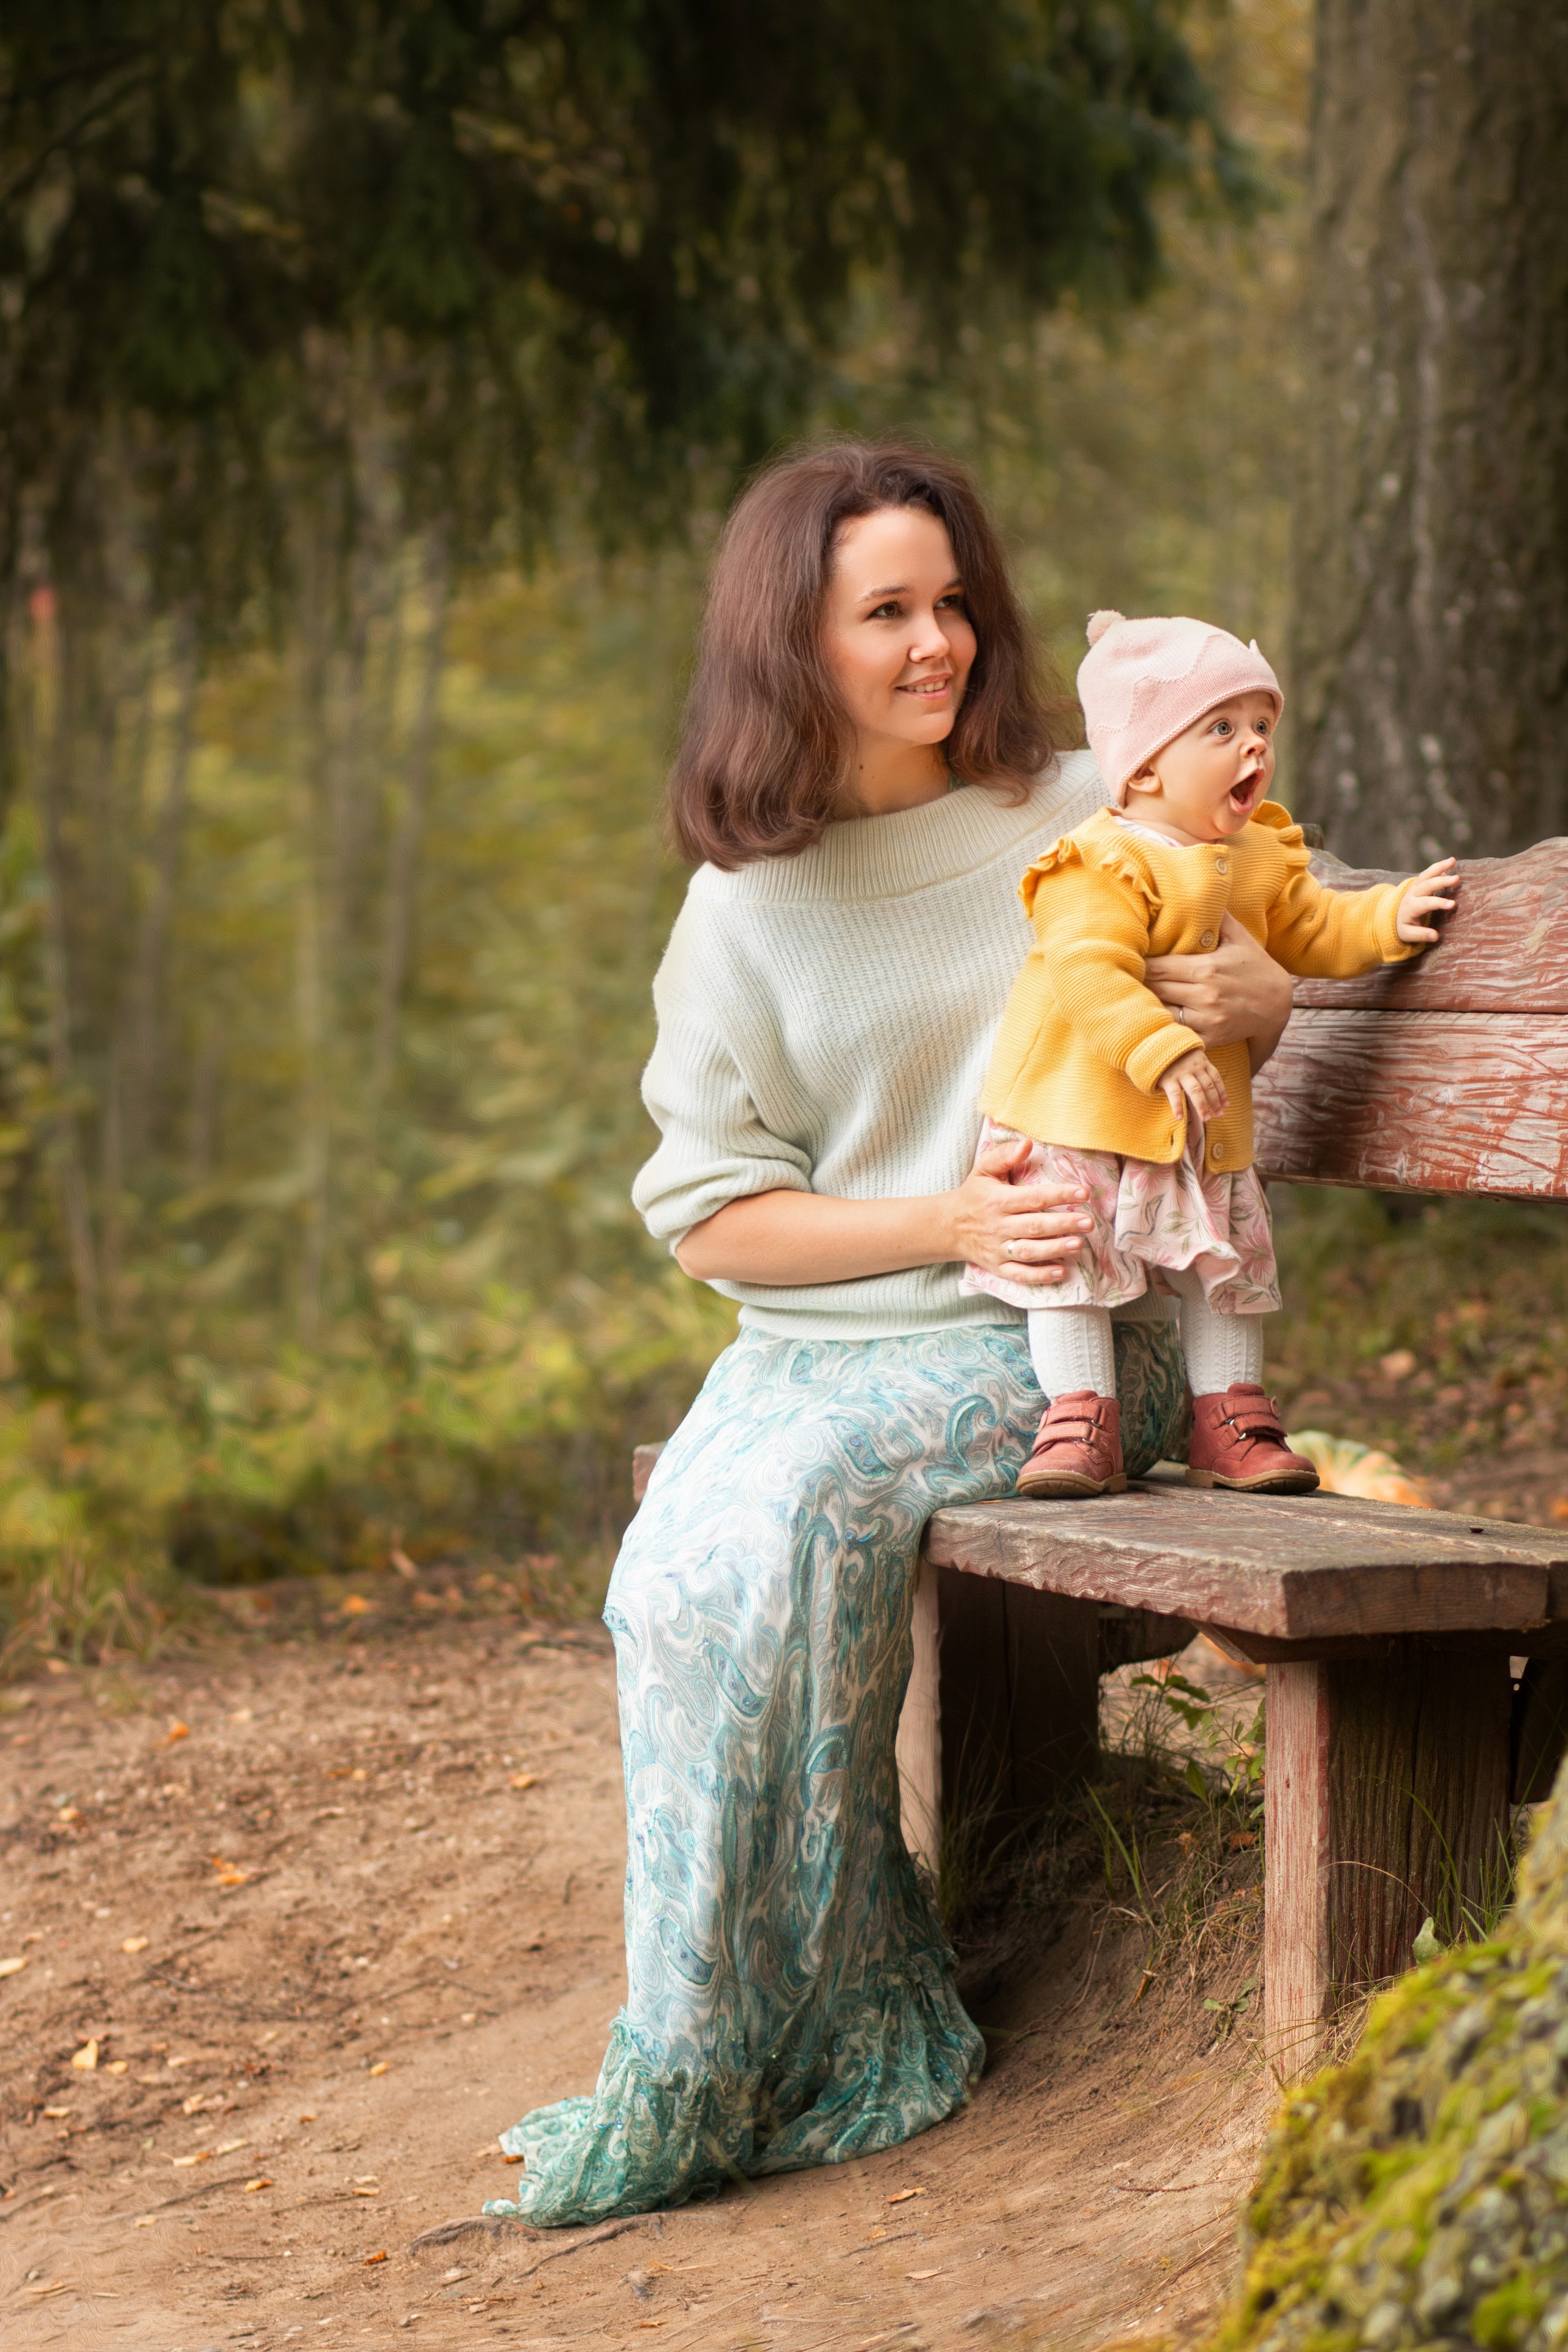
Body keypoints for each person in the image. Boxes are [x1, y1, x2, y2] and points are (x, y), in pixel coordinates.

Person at [483, 443, 1296, 2226]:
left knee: (785, 1519)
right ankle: (746, 2022)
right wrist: (940, 1218)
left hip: (1072, 1349)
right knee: (682, 1572)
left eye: (953, 603)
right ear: (792, 642)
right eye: (887, 613)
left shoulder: (1098, 808)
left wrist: (1261, 992)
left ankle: (775, 2044)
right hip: (821, 1345)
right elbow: (715, 1213)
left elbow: (1290, 917)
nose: (939, 644)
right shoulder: (743, 910)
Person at [964, 609, 1457, 1501]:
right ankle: (1080, 1417)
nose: (1254, 746)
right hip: (1080, 1111)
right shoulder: (1100, 863)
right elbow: (1089, 972)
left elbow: (1315, 926)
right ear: (1145, 764)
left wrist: (1387, 918)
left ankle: (1229, 1415)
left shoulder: (1260, 851)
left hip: (1201, 1127)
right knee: (1068, 1263)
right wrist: (1160, 1048)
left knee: (1220, 1265)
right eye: (1222, 728)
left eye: (1263, 726)